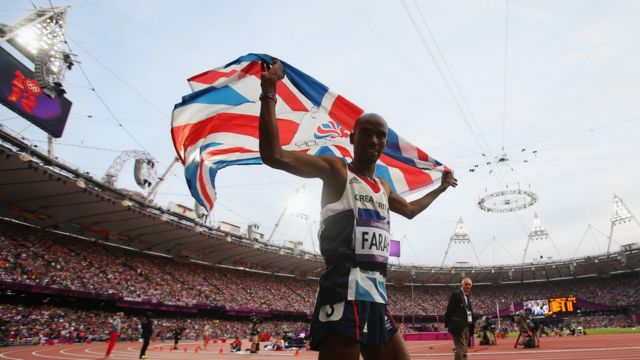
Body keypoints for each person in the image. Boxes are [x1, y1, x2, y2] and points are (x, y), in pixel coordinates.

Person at [259, 59, 457, 360]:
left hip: (376, 297)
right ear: (352, 137)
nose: (374, 140)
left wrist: (441, 188)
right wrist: (269, 90)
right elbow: (273, 155)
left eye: (380, 135)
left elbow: (411, 210)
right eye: (366, 132)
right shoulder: (337, 170)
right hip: (342, 294)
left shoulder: (383, 186)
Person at [445, 278, 474, 360]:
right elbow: (450, 309)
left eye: (469, 285)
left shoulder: (467, 296)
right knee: (460, 349)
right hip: (458, 326)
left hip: (466, 326)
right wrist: (448, 324)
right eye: (466, 284)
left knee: (464, 350)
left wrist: (470, 325)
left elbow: (468, 312)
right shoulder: (456, 294)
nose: (468, 286)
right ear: (461, 285)